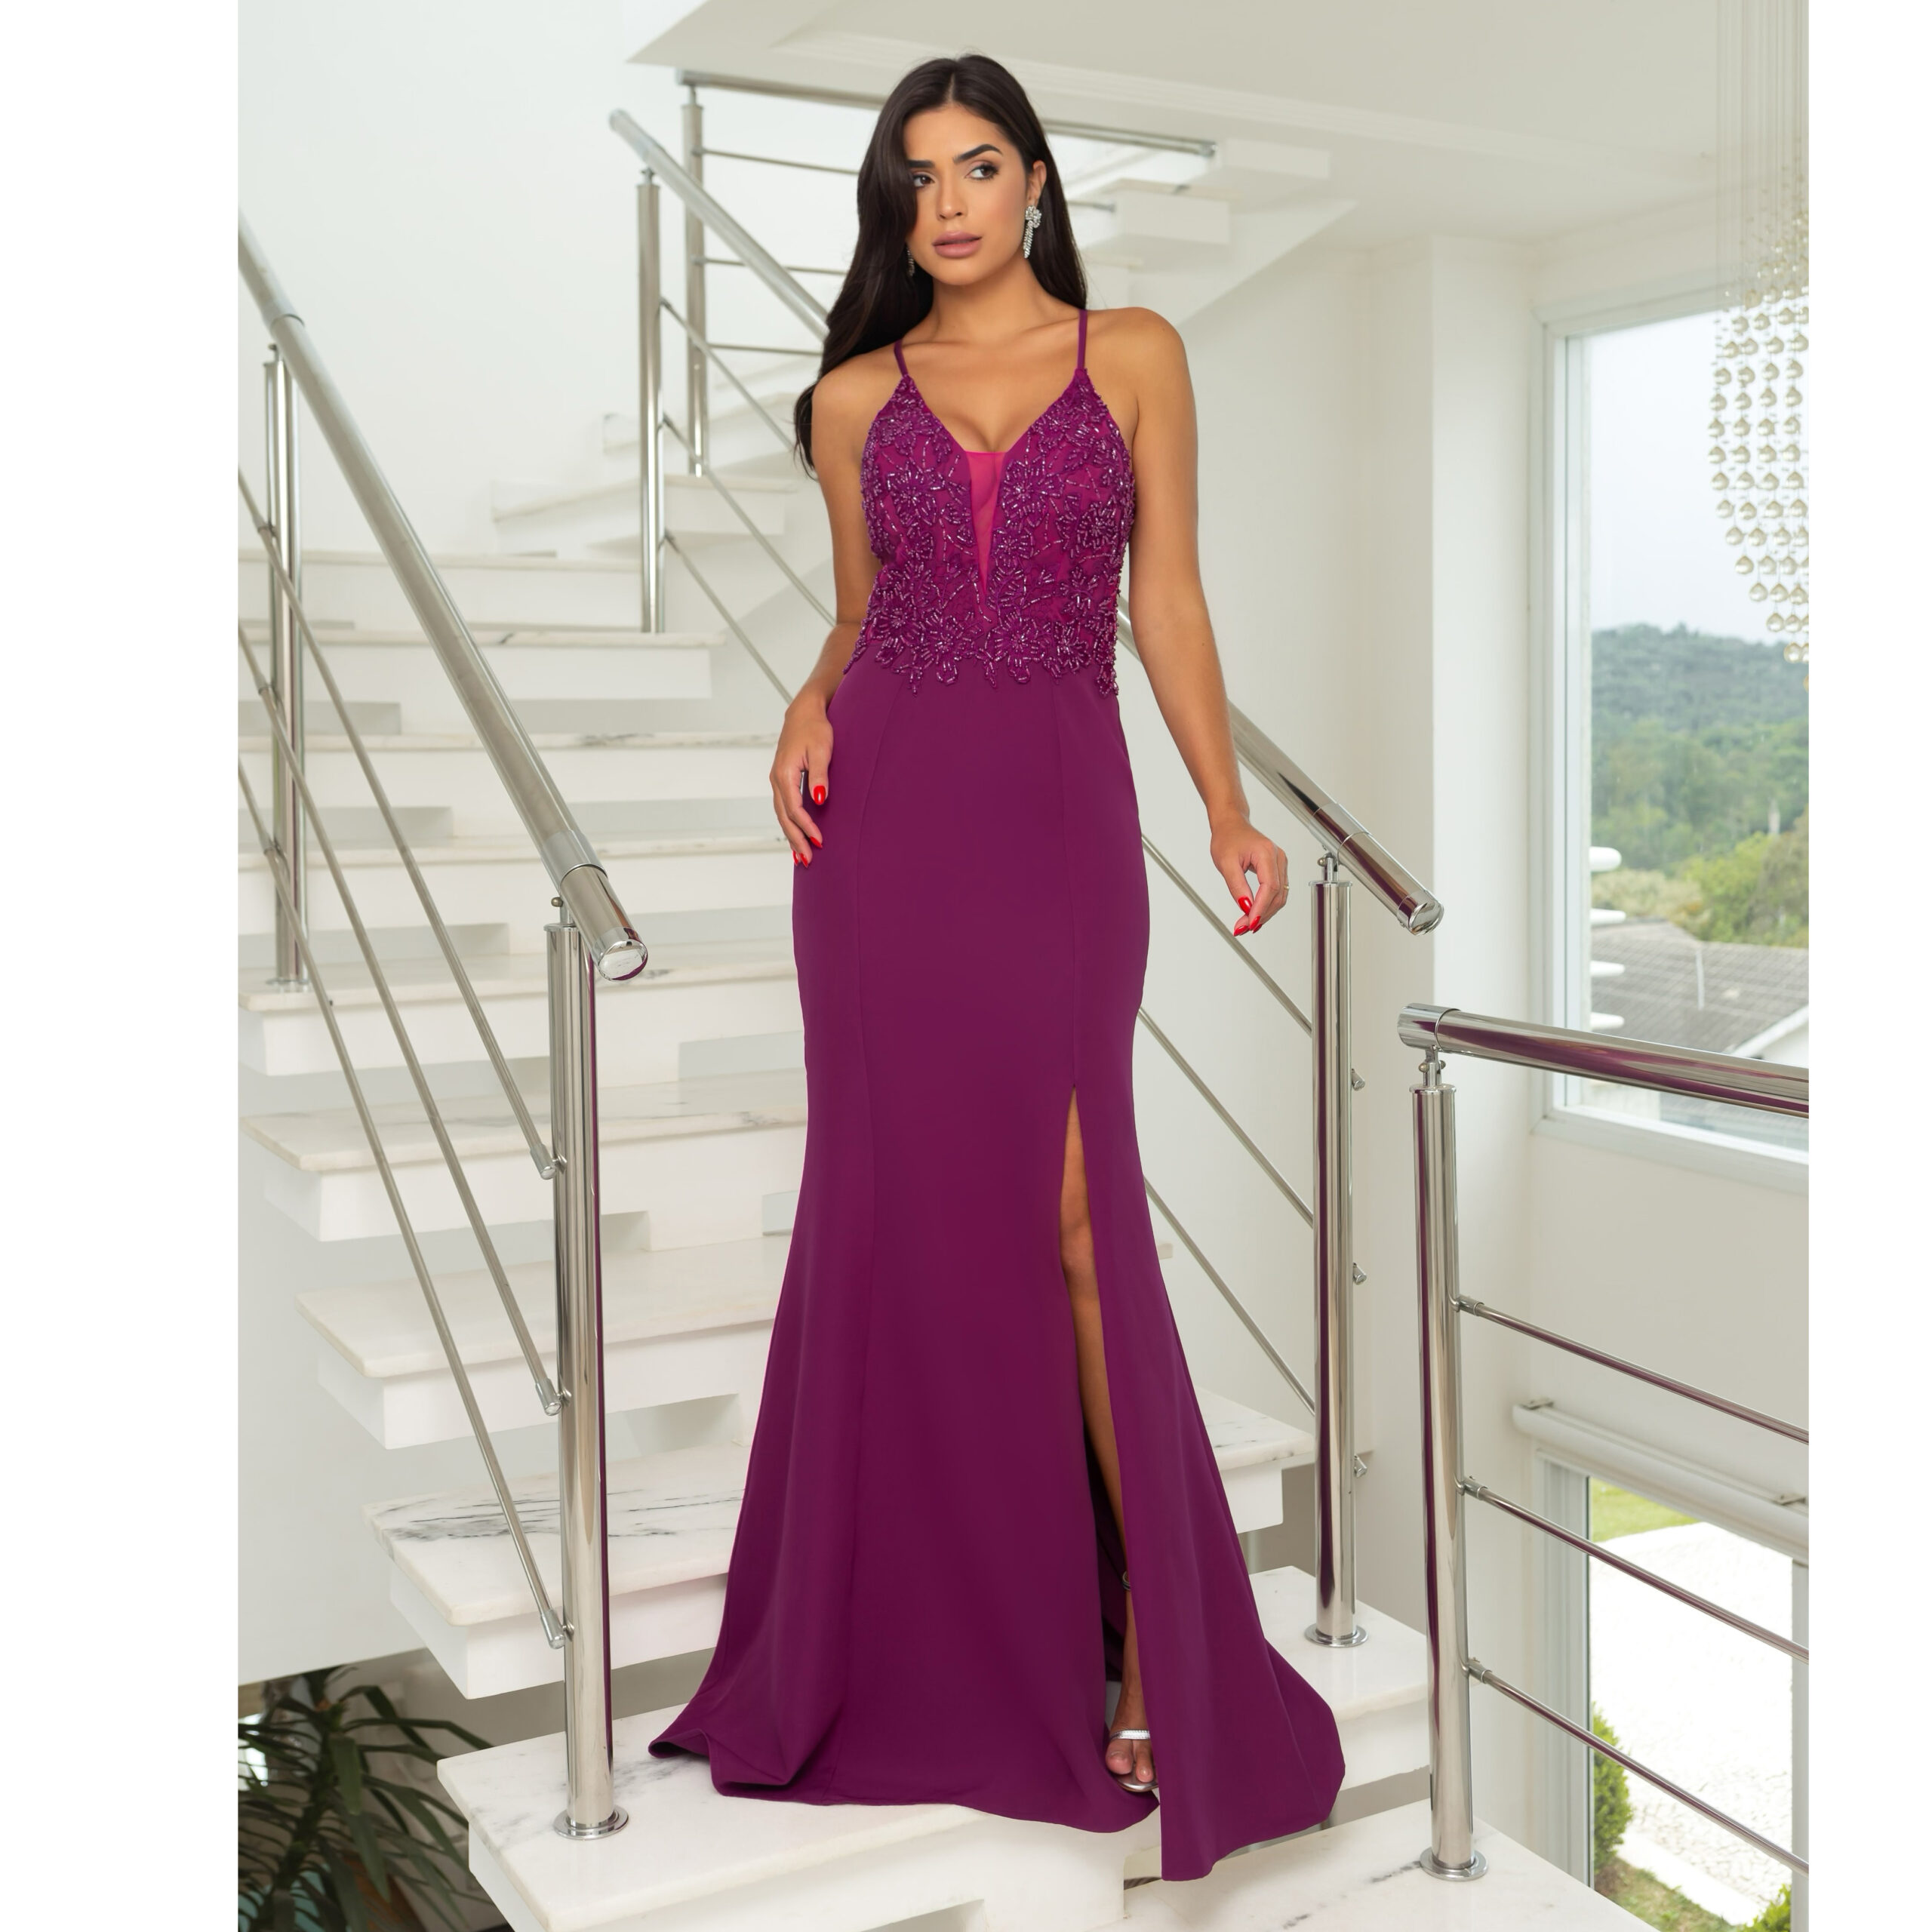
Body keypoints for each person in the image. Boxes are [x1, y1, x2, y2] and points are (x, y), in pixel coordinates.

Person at [651, 52, 1345, 1882]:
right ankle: (920, 1639)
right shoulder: (848, 397)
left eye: (975, 166)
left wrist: (1224, 807)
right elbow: (861, 611)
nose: (946, 202)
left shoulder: (1134, 356)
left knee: (1075, 1214)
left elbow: (1163, 599)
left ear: (1034, 181)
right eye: (916, 177)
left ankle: (1147, 1643)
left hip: (1055, 818)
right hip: (879, 835)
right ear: (891, 207)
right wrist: (803, 702)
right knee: (898, 1217)